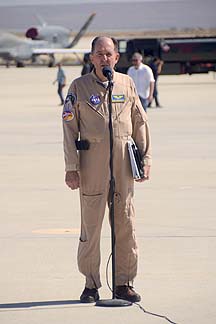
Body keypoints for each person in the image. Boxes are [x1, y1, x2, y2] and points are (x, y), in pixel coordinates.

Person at [62, 36, 152, 304]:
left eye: (109, 54)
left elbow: (139, 122)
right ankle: (90, 284)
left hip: (123, 167)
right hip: (91, 167)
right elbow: (68, 129)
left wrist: (145, 158)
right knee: (91, 227)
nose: (104, 58)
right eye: (99, 54)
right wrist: (71, 167)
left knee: (125, 223)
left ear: (116, 58)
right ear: (91, 58)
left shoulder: (126, 83)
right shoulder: (78, 87)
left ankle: (124, 283)